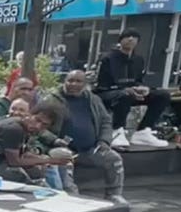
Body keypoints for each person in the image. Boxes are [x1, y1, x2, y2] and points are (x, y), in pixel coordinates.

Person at [51, 70, 126, 204]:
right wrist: (54, 140)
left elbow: (105, 121)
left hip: (91, 149)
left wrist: (104, 140)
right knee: (62, 159)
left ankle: (113, 194)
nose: (73, 84)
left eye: (78, 81)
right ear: (64, 82)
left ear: (85, 84)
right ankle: (73, 199)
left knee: (113, 158)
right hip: (63, 149)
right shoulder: (51, 100)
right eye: (70, 80)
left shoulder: (93, 99)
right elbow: (39, 126)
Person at [94, 28, 171, 148]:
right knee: (125, 95)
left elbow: (138, 81)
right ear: (121, 40)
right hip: (107, 93)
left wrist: (143, 88)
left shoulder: (138, 60)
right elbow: (102, 85)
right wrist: (124, 90)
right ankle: (117, 130)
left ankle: (143, 131)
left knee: (163, 95)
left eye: (134, 37)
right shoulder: (107, 59)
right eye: (127, 36)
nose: (131, 39)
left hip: (132, 93)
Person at [0, 102, 71, 184]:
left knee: (41, 170)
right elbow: (14, 161)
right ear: (29, 115)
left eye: (44, 125)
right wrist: (48, 160)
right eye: (37, 120)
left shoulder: (24, 128)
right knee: (23, 176)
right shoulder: (14, 129)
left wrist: (46, 159)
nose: (38, 126)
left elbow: (23, 153)